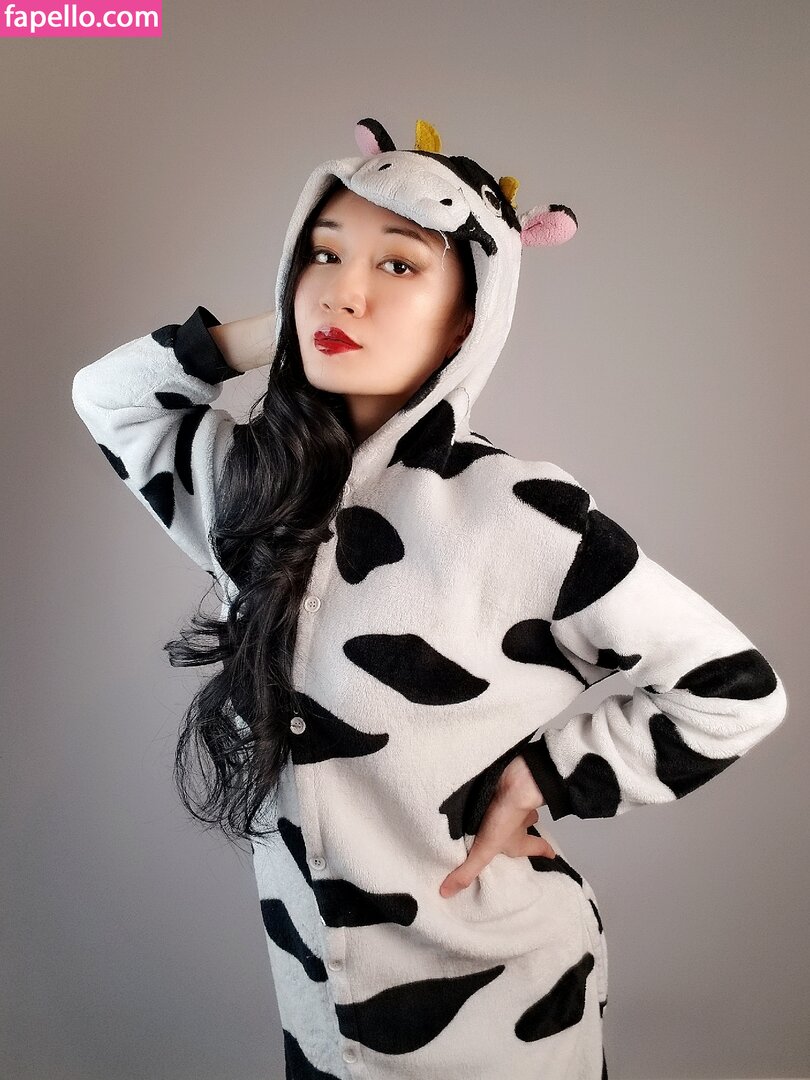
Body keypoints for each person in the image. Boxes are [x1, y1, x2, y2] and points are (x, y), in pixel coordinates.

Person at [71, 116, 789, 1080]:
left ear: (467, 319)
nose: (344, 290)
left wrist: (550, 776)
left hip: (506, 1010)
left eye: (400, 265)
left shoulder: (517, 512)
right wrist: (277, 331)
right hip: (322, 1010)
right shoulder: (258, 491)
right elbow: (110, 397)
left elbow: (735, 691)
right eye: (322, 255)